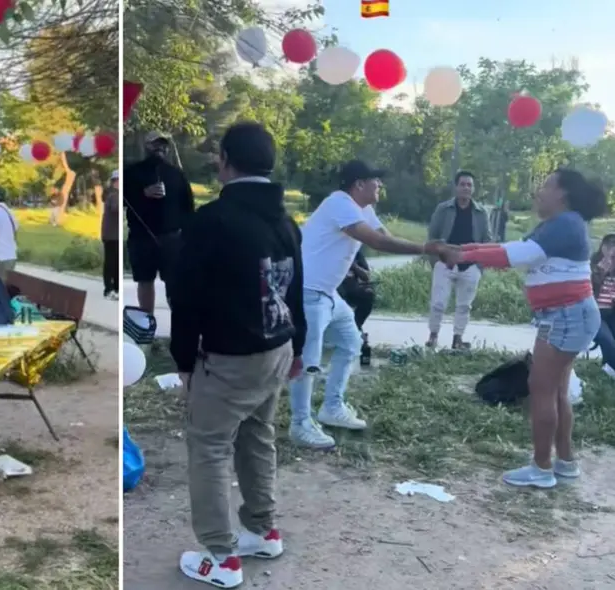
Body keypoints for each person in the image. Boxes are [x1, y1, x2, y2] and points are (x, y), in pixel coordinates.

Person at [170, 122, 305, 589]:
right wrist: (299, 347)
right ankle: (263, 530)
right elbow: (296, 290)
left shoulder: (213, 221)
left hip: (230, 357)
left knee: (208, 446)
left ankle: (221, 556)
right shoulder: (286, 222)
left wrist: (184, 360)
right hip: (276, 348)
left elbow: (184, 297)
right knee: (256, 434)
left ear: (226, 159)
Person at [444, 169, 605, 488]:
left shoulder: (565, 224)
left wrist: (462, 253)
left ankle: (542, 468)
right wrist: (468, 249)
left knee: (541, 388)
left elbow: (513, 255)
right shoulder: (560, 224)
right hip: (566, 316)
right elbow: (515, 247)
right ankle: (565, 463)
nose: (539, 192)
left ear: (562, 193)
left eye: (545, 186)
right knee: (556, 390)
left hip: (565, 317)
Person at [288, 160, 454, 450]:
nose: (380, 185)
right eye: (376, 181)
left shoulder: (362, 208)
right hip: (308, 291)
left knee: (351, 342)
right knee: (308, 361)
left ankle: (332, 407)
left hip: (327, 293)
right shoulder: (339, 203)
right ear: (359, 184)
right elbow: (376, 242)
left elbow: (385, 236)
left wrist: (430, 248)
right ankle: (300, 424)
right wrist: (428, 249)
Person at [124, 130, 195, 313]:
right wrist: (142, 194)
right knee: (145, 281)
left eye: (163, 145)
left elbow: (188, 207)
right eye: (155, 144)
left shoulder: (176, 174)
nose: (160, 148)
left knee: (174, 283)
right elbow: (122, 200)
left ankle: (178, 328)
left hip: (172, 238)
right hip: (141, 237)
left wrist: (187, 237)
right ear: (146, 147)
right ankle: (147, 325)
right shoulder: (131, 172)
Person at [425, 171, 493, 349]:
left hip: (470, 265)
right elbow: (432, 235)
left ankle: (458, 338)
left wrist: (479, 265)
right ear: (456, 187)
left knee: (464, 305)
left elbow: (487, 239)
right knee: (438, 302)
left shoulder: (481, 213)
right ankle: (433, 335)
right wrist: (436, 261)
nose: (466, 188)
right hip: (445, 262)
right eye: (462, 184)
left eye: (469, 185)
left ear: (473, 188)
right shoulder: (443, 209)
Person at [591, 234, 615, 378]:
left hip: (611, 312)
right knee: (609, 342)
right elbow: (586, 292)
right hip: (594, 312)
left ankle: (609, 370)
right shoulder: (591, 267)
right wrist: (599, 273)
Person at [337, 249, 374, 332]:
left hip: (353, 289)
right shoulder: (331, 251)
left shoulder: (356, 253)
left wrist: (353, 266)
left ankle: (356, 325)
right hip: (335, 289)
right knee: (340, 292)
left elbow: (366, 276)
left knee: (368, 294)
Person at [101, 170, 120, 300]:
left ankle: (115, 288)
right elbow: (116, 208)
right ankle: (109, 288)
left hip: (112, 234)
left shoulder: (113, 194)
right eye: (118, 180)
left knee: (114, 262)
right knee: (111, 263)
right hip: (112, 235)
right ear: (114, 182)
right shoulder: (115, 195)